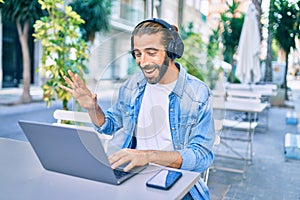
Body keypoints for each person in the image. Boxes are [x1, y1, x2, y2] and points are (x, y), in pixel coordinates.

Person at [61, 18, 215, 200]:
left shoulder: (197, 93)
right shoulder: (132, 85)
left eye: (151, 52)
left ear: (172, 51)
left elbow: (202, 157)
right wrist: (91, 108)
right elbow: (109, 124)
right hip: (132, 177)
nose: (143, 62)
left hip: (180, 186)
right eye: (138, 54)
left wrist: (147, 156)